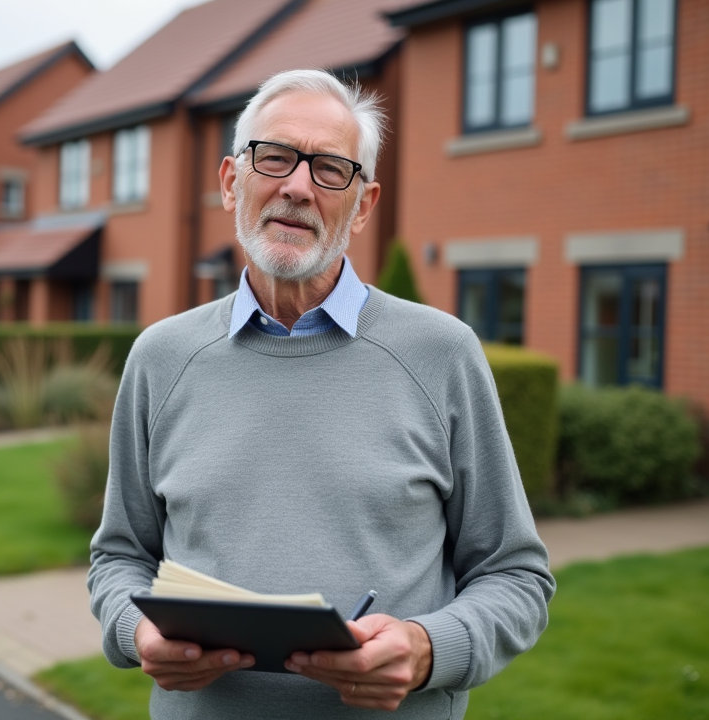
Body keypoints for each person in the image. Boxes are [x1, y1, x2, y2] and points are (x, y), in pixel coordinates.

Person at [88, 69, 554, 718]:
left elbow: (516, 575)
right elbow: (120, 556)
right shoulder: (161, 358)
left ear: (362, 205)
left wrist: (427, 649)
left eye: (330, 168)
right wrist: (133, 631)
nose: (297, 187)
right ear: (231, 183)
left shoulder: (442, 354)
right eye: (274, 157)